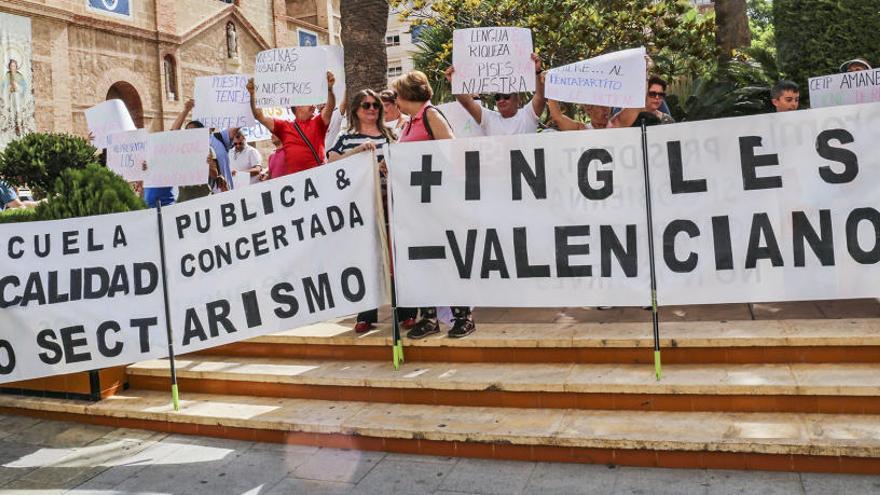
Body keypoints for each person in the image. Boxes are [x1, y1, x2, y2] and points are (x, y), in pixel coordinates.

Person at [392, 70, 476, 339]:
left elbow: (451, 152)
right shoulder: (408, 123)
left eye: (398, 94)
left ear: (408, 94)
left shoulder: (431, 116)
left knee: (447, 258)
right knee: (422, 260)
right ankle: (428, 318)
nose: (395, 98)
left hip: (436, 201)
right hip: (415, 205)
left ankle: (463, 316)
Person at [327, 89, 397, 333]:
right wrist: (359, 154)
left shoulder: (390, 135)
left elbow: (401, 159)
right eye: (366, 105)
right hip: (361, 204)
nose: (372, 109)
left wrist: (388, 165)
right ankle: (366, 313)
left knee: (394, 257)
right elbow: (332, 161)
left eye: (376, 105)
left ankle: (404, 311)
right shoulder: (346, 138)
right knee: (366, 257)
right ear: (356, 109)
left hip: (390, 202)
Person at [246, 72, 335, 175]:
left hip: (319, 177)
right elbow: (259, 116)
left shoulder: (318, 122)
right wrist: (253, 95)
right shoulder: (284, 127)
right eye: (309, 102)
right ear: (298, 106)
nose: (314, 106)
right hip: (296, 182)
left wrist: (329, 90)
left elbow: (330, 107)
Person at [445, 53, 546, 136]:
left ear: (517, 99)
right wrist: (455, 82)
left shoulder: (527, 115)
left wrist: (537, 72)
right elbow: (467, 103)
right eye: (497, 97)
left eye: (506, 96)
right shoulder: (489, 118)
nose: (501, 100)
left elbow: (540, 97)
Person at [609, 76, 675, 128]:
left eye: (661, 95)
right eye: (652, 94)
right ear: (644, 94)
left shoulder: (668, 120)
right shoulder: (629, 118)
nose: (657, 97)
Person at [547, 100, 611, 131]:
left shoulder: (617, 125)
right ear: (588, 108)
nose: (606, 110)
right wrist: (550, 85)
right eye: (602, 106)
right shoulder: (582, 129)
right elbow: (557, 117)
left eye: (608, 106)